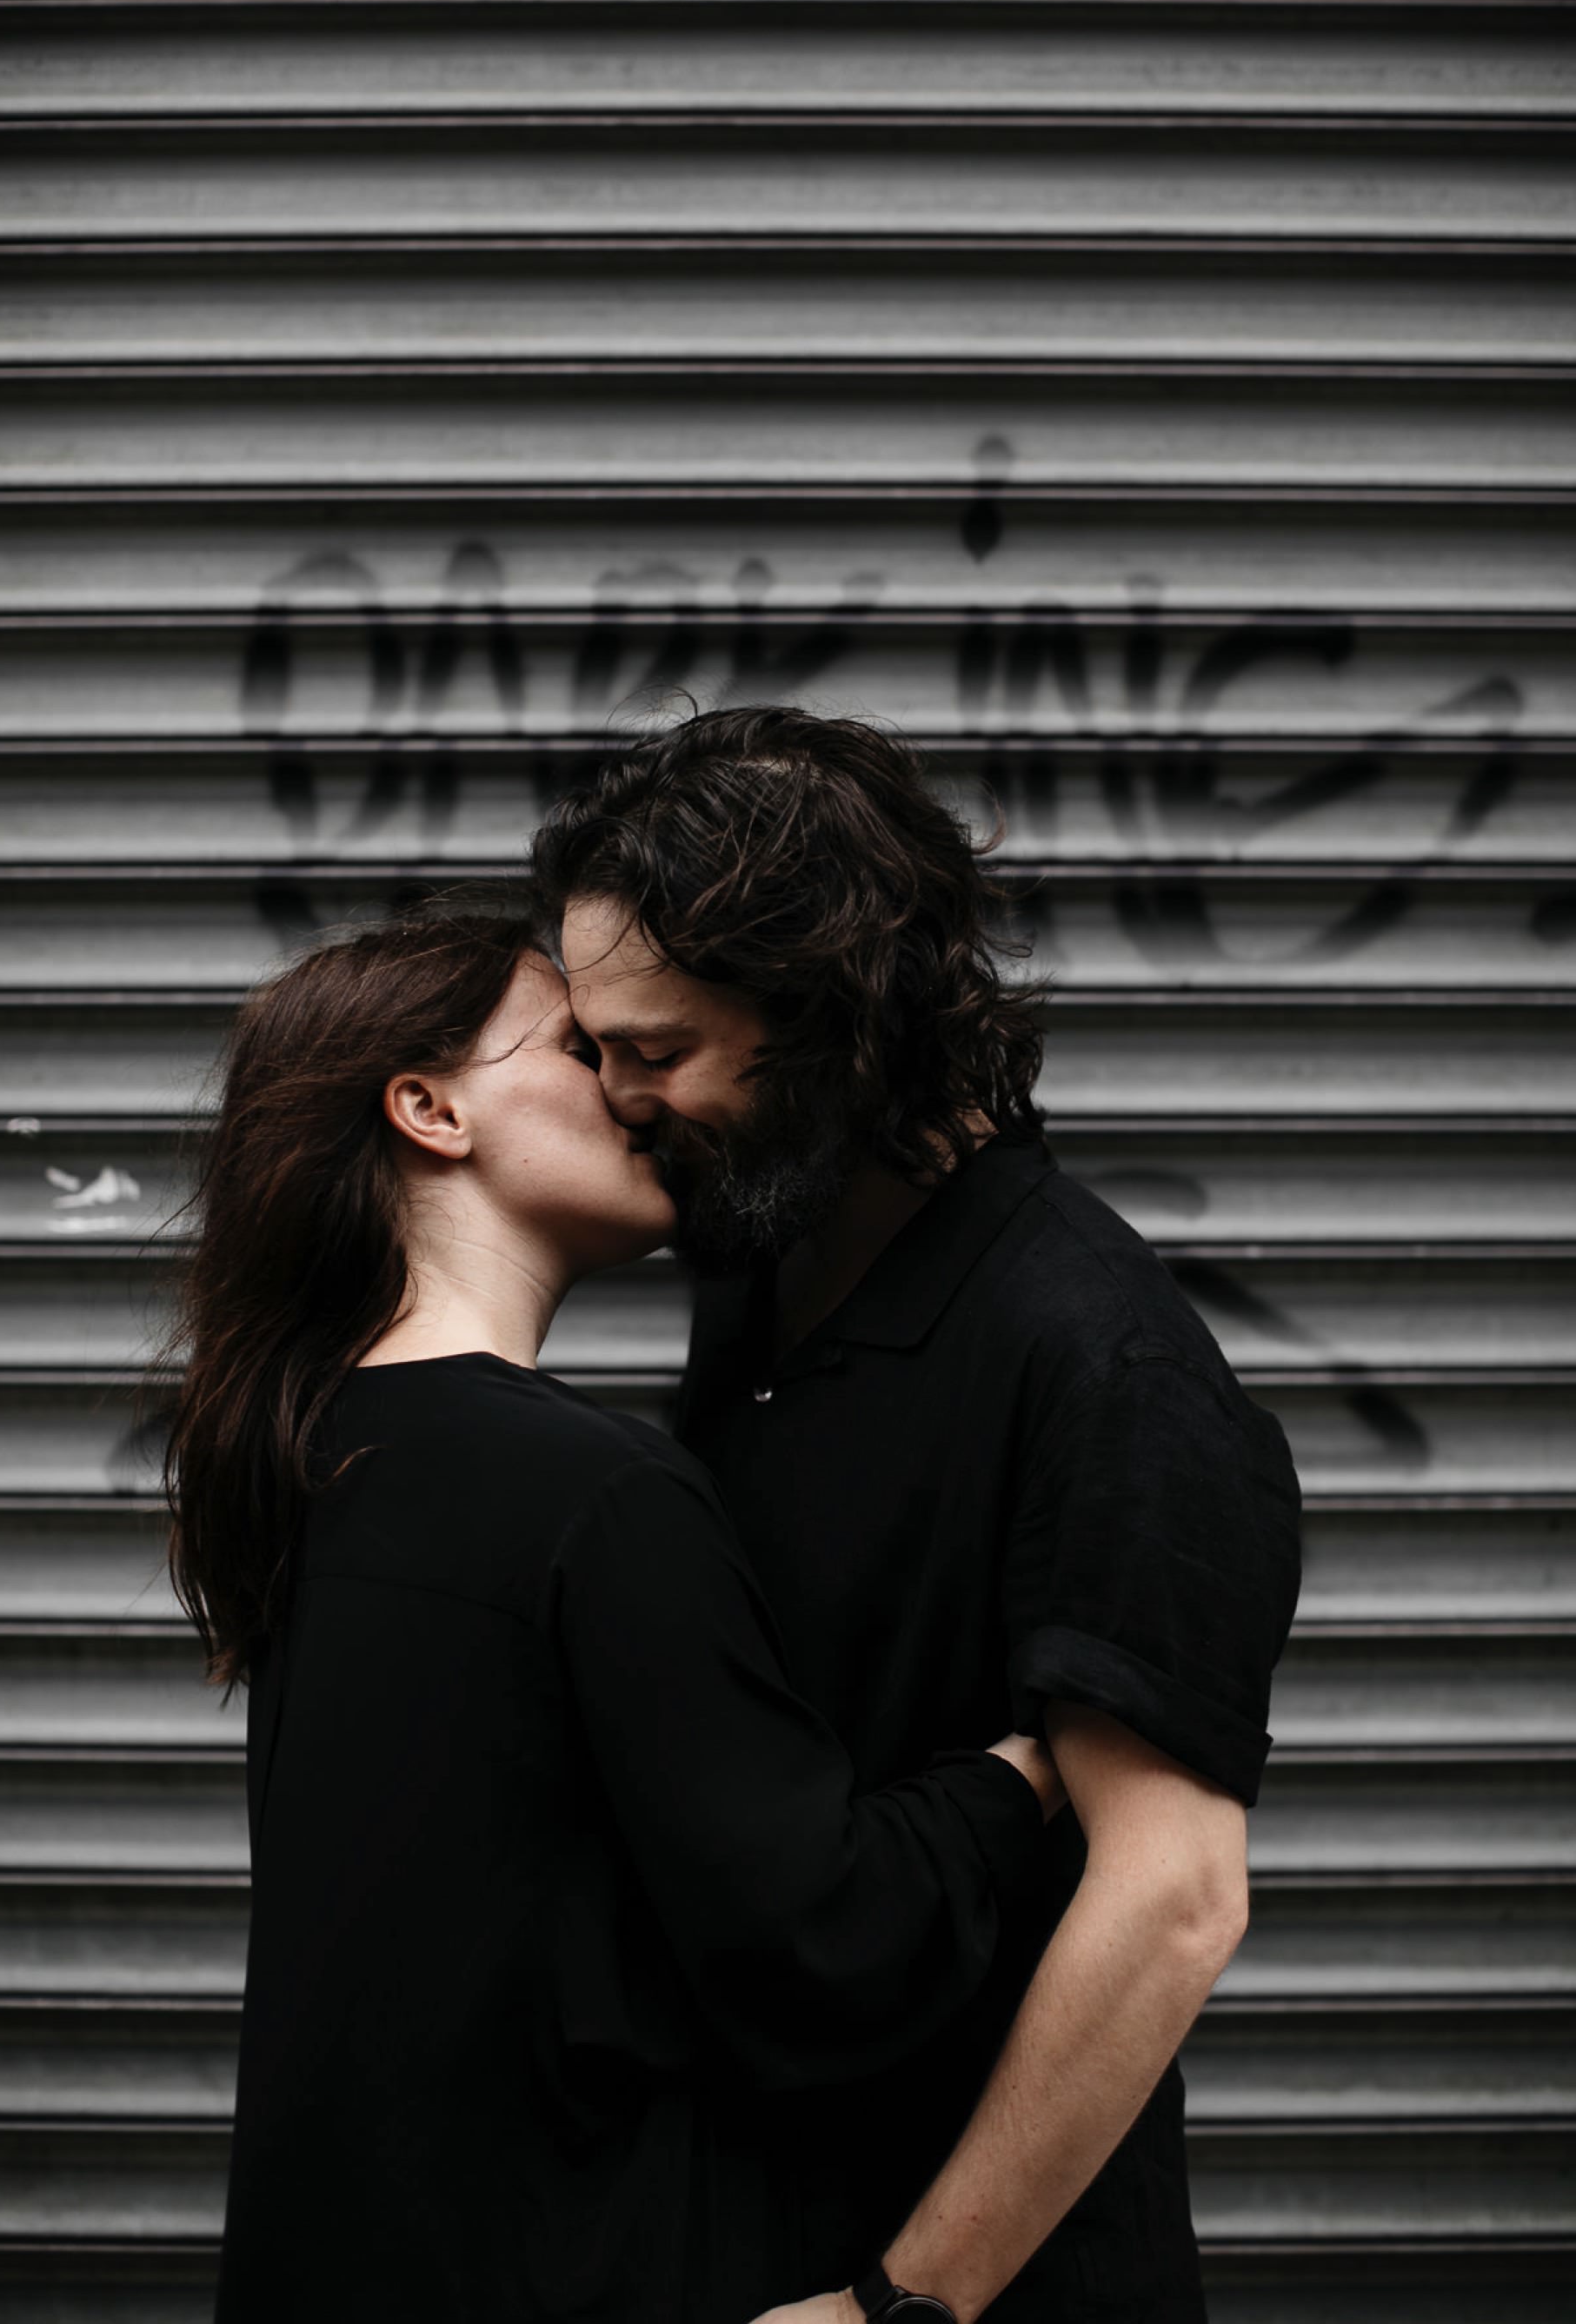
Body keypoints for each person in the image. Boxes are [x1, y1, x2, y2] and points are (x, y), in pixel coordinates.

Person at [170, 909, 1061, 2324]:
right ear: (429, 1108)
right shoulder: (590, 1491)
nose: (636, 1088)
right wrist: (1029, 1773)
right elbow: (819, 1937)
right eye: (581, 1048)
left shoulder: (320, 1452)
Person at [535, 705, 1305, 2324]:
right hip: (754, 2215)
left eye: (654, 1053)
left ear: (836, 1026)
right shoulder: (769, 1254)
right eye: (595, 1049)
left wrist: (904, 2304)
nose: (611, 1101)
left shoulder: (1104, 1358)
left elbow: (1175, 1897)